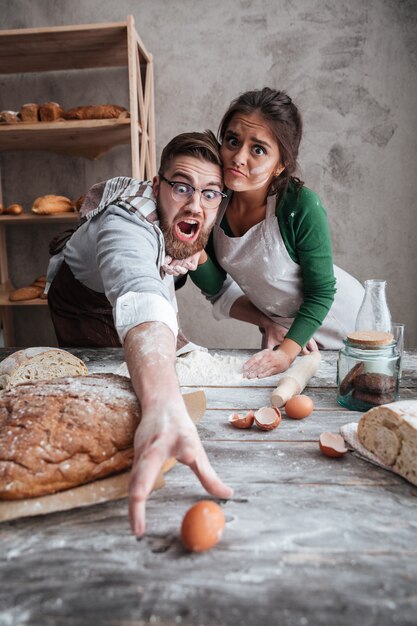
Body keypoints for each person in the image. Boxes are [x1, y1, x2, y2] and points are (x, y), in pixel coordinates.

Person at [46, 131, 233, 536]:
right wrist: (165, 405)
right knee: (101, 399)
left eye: (210, 194)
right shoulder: (125, 223)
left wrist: (267, 320)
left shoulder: (192, 218)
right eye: (181, 187)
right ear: (155, 186)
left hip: (130, 297)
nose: (195, 205)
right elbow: (141, 296)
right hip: (84, 307)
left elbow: (203, 266)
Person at [189, 88, 365, 378]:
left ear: (281, 164)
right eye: (232, 141)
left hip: (347, 325)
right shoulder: (213, 199)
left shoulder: (299, 205)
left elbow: (321, 292)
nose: (238, 157)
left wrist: (286, 353)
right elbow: (216, 287)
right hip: (286, 333)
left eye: (257, 149)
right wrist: (192, 247)